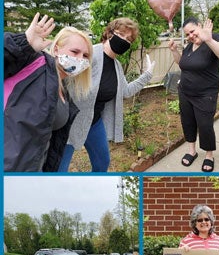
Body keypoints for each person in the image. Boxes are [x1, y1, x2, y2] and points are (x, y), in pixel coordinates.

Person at [58, 17, 155, 172]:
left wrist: (147, 75)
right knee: (59, 170)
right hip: (71, 122)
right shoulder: (89, 54)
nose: (125, 40)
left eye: (129, 39)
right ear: (110, 33)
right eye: (121, 34)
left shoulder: (116, 66)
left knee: (102, 163)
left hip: (94, 122)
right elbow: (65, 79)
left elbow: (126, 92)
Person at [4, 12, 93, 172]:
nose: (80, 59)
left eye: (85, 55)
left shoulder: (65, 94)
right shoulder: (32, 63)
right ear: (57, 49)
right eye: (74, 52)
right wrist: (24, 43)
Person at [168, 17, 219, 172]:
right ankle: (192, 151)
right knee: (188, 122)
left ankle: (209, 155)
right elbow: (182, 63)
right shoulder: (190, 46)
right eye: (187, 34)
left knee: (205, 126)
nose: (190, 36)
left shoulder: (215, 38)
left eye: (192, 31)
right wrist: (174, 51)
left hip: (205, 94)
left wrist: (208, 39)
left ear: (199, 26)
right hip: (185, 92)